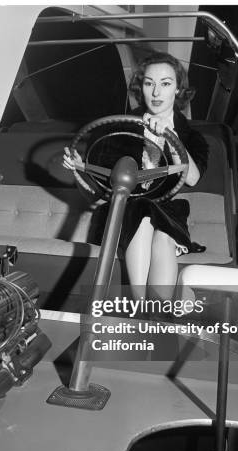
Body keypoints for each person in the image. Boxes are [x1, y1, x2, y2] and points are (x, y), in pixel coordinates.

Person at [62, 52, 208, 301]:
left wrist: (172, 139)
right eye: (149, 83)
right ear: (141, 87)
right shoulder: (118, 129)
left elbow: (192, 177)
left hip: (167, 212)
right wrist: (80, 168)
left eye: (165, 84)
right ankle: (142, 307)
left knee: (163, 237)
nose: (156, 93)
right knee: (141, 210)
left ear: (178, 90)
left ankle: (149, 312)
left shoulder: (192, 137)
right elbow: (97, 191)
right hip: (123, 210)